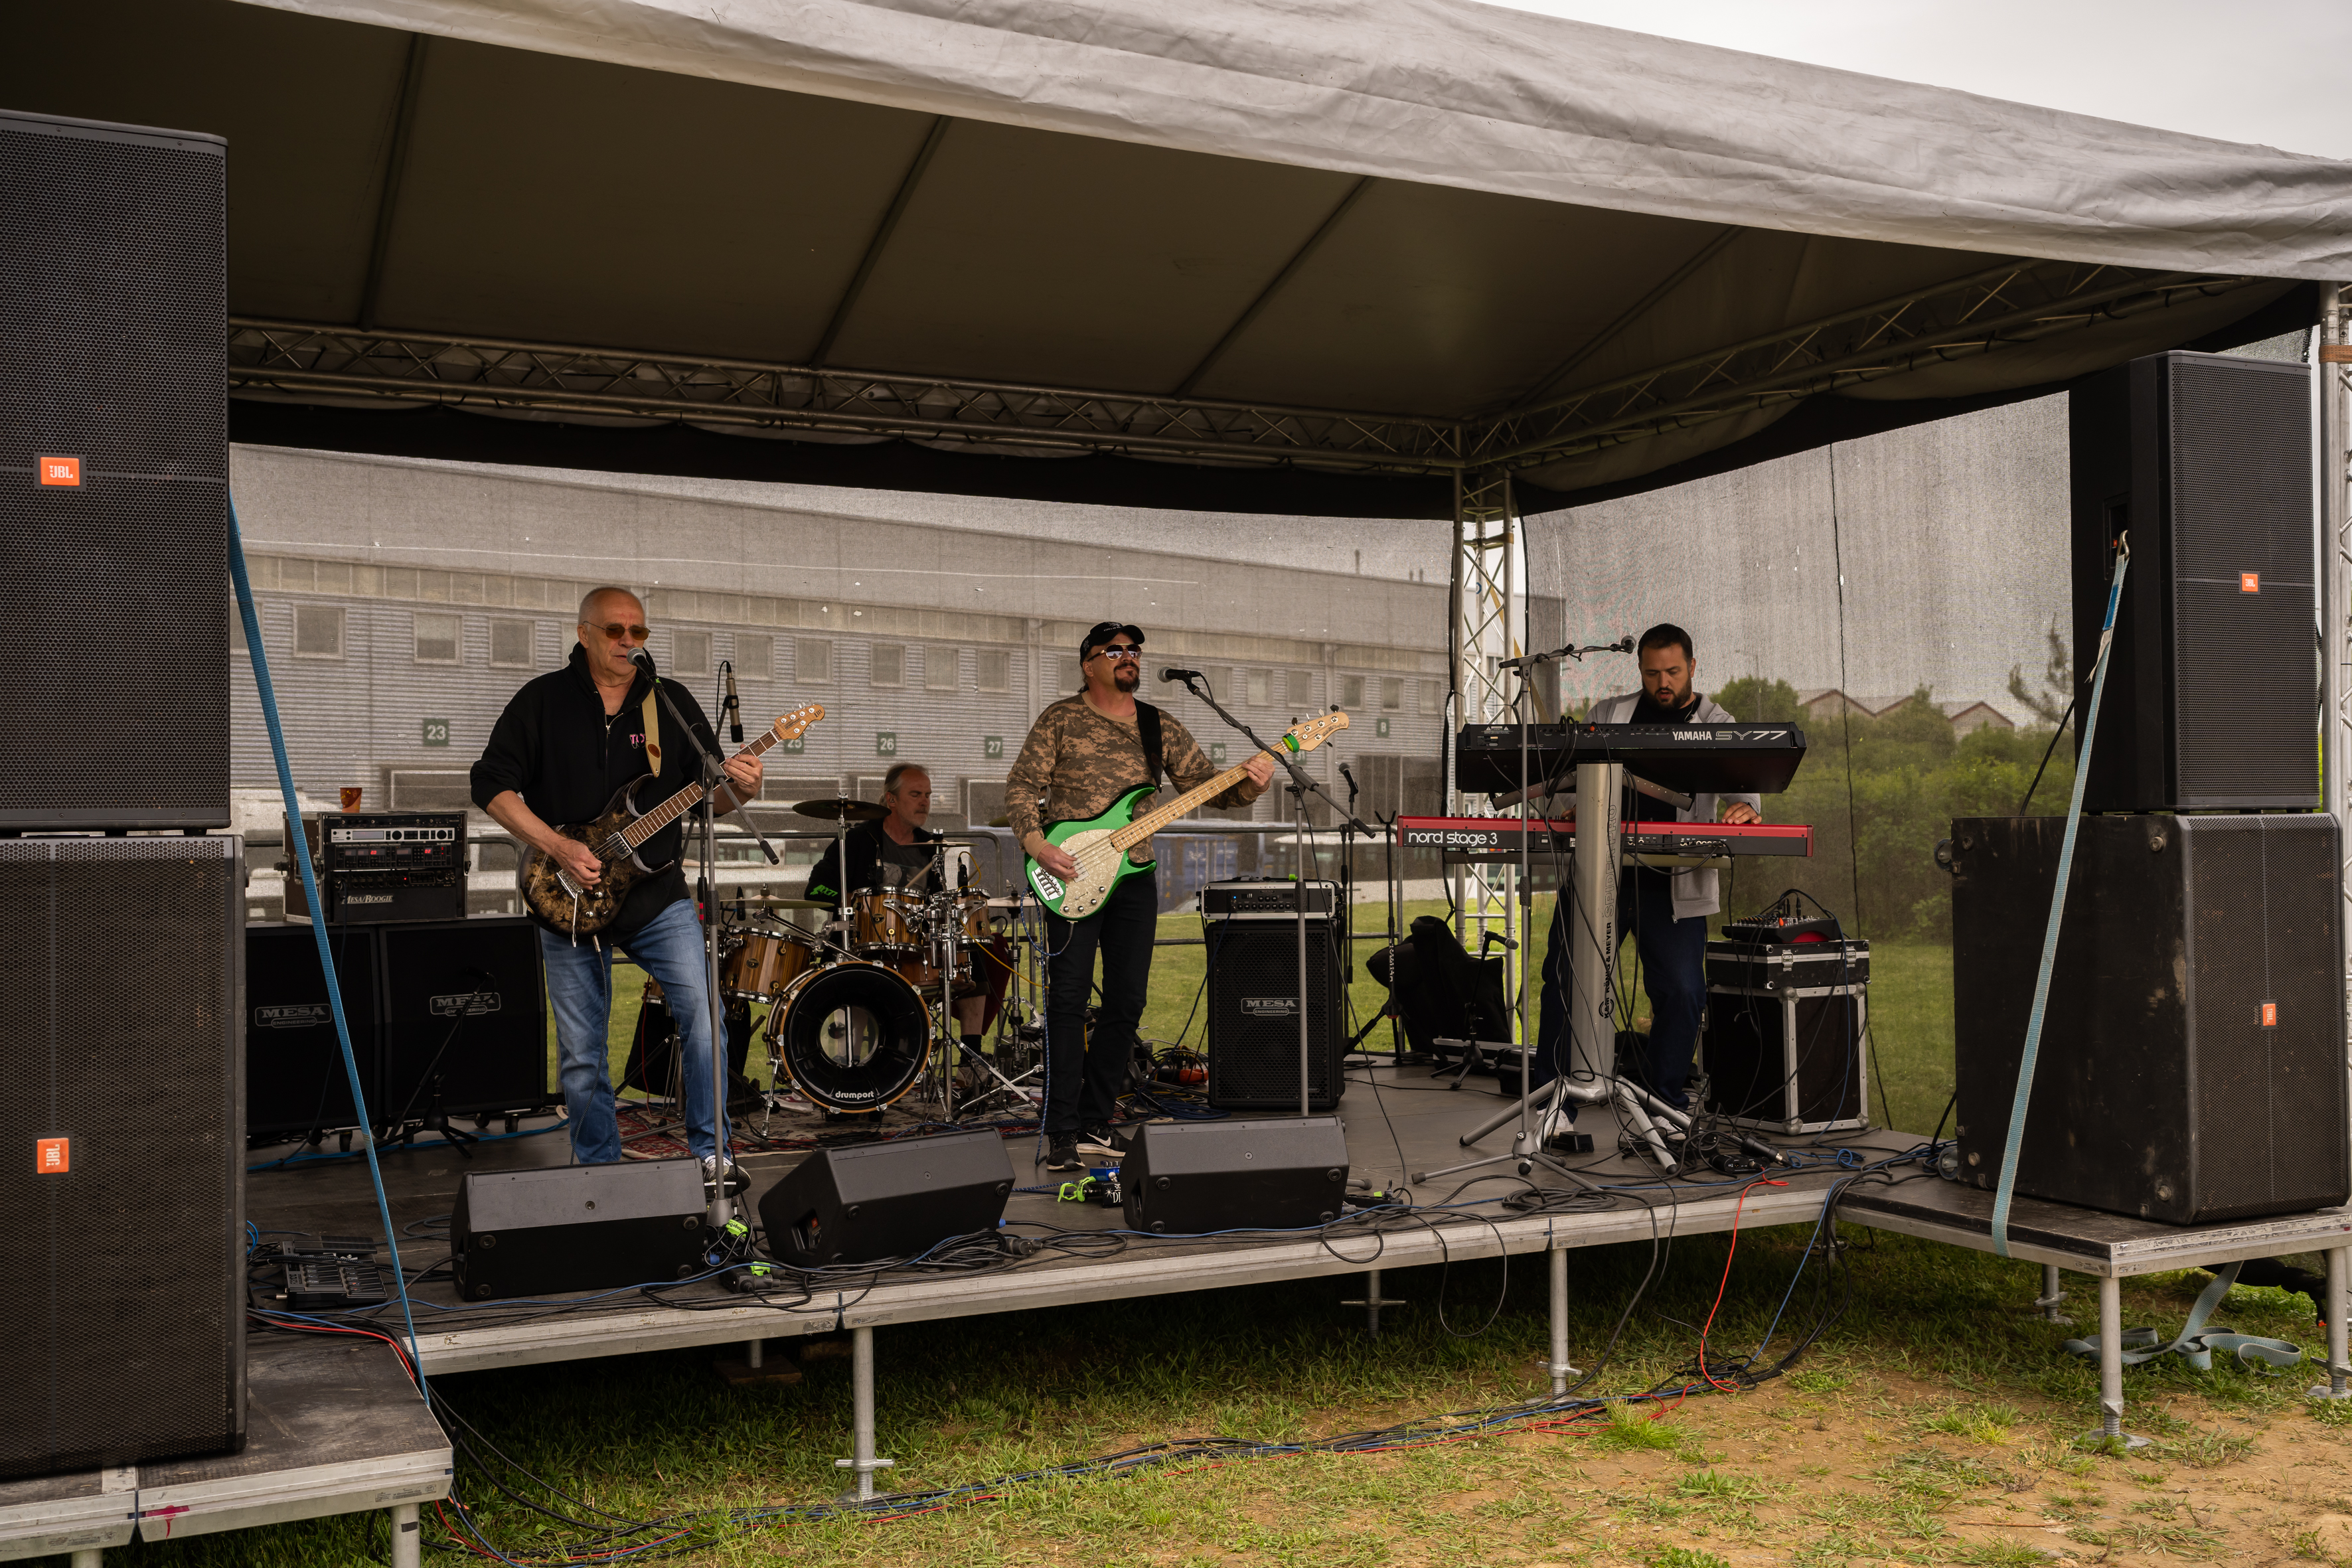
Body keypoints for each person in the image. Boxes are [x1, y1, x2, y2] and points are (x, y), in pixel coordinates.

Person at [471, 586, 763, 1186]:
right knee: (582, 1056)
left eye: (639, 632)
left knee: (705, 1021)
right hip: (567, 899)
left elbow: (713, 801)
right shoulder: (542, 701)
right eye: (615, 631)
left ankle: (713, 1155)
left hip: (658, 898)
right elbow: (491, 785)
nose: (628, 641)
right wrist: (557, 845)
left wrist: (743, 790)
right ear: (584, 633)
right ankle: (602, 1177)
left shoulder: (670, 702)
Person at [1007, 621, 1275, 1170]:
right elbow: (1020, 787)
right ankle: (1059, 1130)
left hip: (1133, 874)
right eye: (1115, 650)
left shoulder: (1158, 725)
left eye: (1134, 650)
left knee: (1127, 1002)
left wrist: (1251, 781)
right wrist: (1037, 845)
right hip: (1073, 871)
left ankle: (1094, 1121)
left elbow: (1208, 786)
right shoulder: (1060, 718)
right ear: (1089, 663)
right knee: (1067, 1001)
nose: (1129, 657)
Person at [1535, 622, 1760, 1120]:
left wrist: (1745, 808)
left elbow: (1745, 791)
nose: (1663, 682)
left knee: (1681, 991)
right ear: (1639, 670)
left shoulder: (1716, 720)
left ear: (1692, 668)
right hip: (1598, 875)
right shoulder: (1608, 714)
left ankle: (1665, 1109)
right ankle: (1555, 1106)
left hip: (1672, 884)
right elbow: (1568, 784)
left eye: (1673, 672)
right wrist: (1571, 808)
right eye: (1653, 672)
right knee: (1565, 983)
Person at [803, 762, 948, 908]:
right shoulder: (857, 841)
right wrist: (849, 899)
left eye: (927, 796)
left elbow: (937, 903)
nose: (924, 802)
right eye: (915, 795)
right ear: (892, 799)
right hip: (864, 930)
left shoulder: (931, 847)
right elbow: (815, 889)